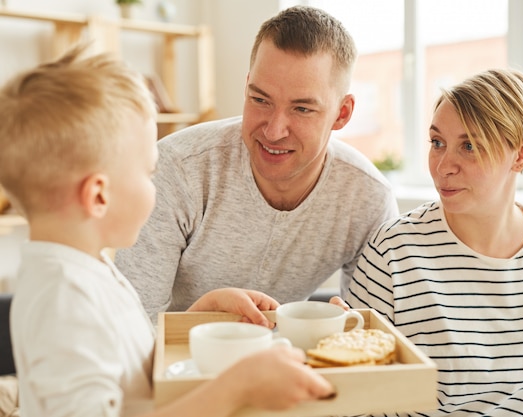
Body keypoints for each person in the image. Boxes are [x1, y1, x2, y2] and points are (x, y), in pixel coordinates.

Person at [0, 46, 334, 417]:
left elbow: (132, 374)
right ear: (98, 195)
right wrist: (235, 387)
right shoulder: (64, 300)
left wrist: (197, 315)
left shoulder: (86, 269)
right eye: (148, 172)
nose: (155, 186)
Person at [344, 69, 523, 416]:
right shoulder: (393, 251)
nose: (444, 165)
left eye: (469, 146)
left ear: (521, 155)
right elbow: (358, 396)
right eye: (437, 143)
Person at [114, 5, 399, 324]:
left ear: (342, 113)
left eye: (302, 109)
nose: (274, 131)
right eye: (260, 100)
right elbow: (129, 333)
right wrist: (198, 321)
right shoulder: (176, 171)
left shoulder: (367, 198)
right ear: (247, 85)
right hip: (178, 366)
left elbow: (374, 336)